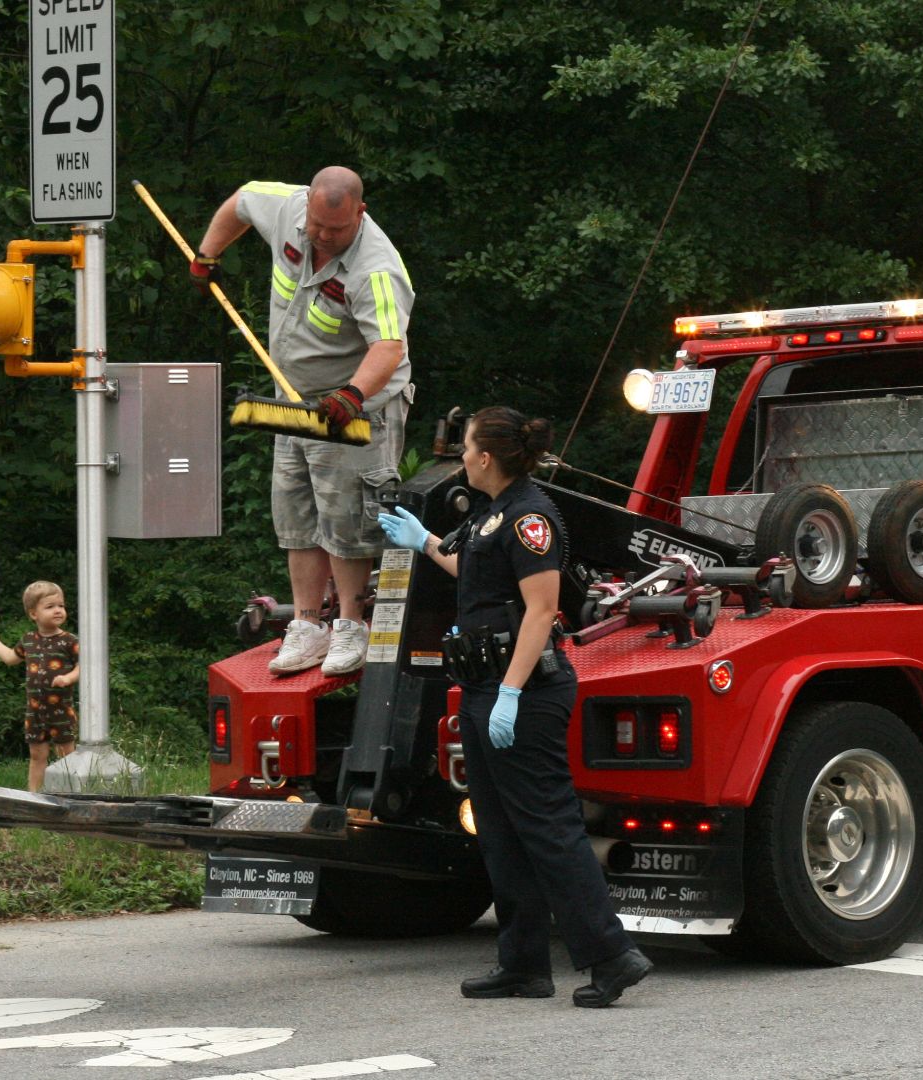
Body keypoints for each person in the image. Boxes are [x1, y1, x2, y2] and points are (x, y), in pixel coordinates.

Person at [378, 406, 653, 1009]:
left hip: (522, 693)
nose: (459, 457)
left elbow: (540, 609)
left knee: (550, 829)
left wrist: (510, 693)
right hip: (484, 687)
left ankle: (612, 956)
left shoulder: (531, 517)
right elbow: (476, 574)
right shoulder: (489, 513)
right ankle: (524, 964)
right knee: (500, 832)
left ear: (485, 458)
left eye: (466, 447)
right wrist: (424, 542)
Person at [192, 165, 416, 677]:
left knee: (346, 521)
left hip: (355, 410)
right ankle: (308, 626)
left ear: (359, 213)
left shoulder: (376, 268)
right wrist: (208, 254)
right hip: (293, 403)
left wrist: (354, 395)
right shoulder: (292, 209)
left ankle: (351, 627)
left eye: (334, 229)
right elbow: (243, 197)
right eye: (316, 224)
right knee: (296, 517)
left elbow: (387, 347)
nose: (321, 235)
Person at [0, 581, 80, 793]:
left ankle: (71, 796)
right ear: (33, 614)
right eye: (50, 606)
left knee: (67, 756)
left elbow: (84, 665)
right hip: (35, 711)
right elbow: (11, 658)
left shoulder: (69, 640)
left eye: (61, 605)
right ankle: (33, 796)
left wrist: (69, 678)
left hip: (61, 710)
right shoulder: (28, 640)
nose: (58, 610)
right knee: (37, 756)